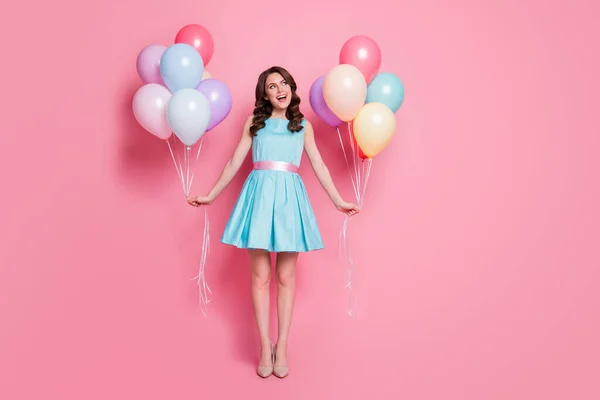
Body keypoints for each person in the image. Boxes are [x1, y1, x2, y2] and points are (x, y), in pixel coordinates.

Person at [187, 66, 359, 378]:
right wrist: (211, 195)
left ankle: (283, 345)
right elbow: (235, 160)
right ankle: (265, 345)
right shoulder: (255, 122)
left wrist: (338, 201)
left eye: (283, 84)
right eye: (271, 86)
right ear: (264, 95)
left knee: (285, 277)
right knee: (259, 277)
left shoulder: (302, 125)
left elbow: (318, 163)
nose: (279, 89)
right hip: (259, 198)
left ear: (292, 89)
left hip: (289, 199)